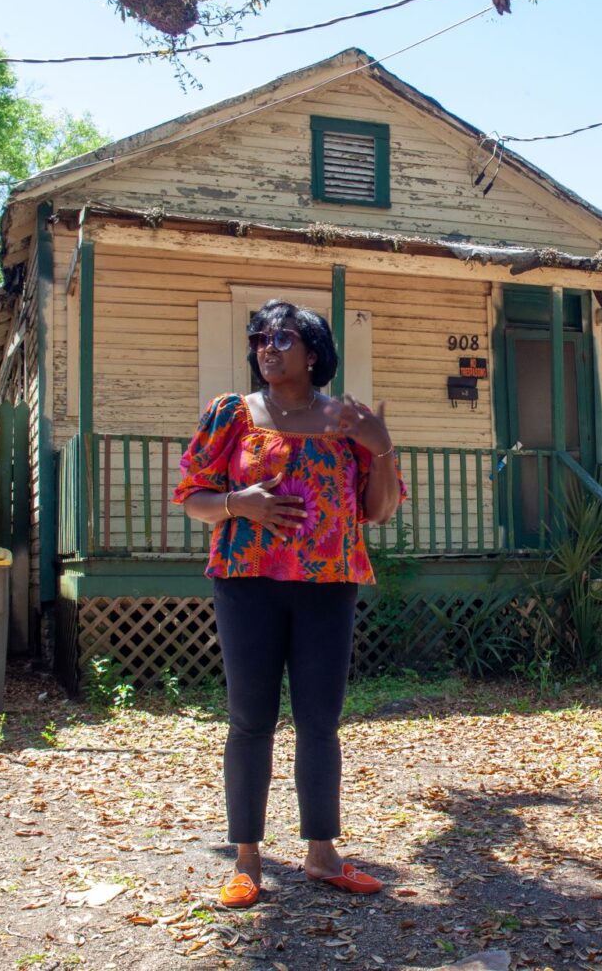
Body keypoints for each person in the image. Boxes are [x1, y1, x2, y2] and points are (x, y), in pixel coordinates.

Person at [173, 300, 403, 909]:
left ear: (313, 350)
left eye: (280, 337)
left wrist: (380, 446)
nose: (265, 348)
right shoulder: (233, 414)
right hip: (248, 583)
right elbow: (193, 494)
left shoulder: (345, 419)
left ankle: (321, 853)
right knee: (251, 720)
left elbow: (377, 511)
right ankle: (247, 860)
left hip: (329, 586)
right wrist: (236, 503)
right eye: (258, 339)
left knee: (321, 723)